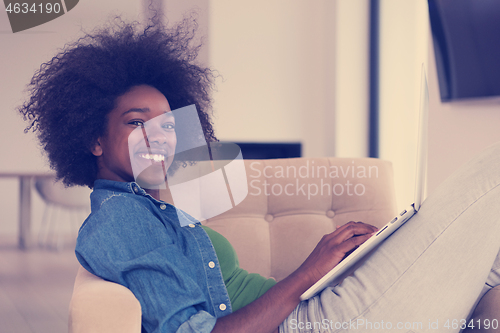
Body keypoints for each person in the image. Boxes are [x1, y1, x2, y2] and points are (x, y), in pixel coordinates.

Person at [18, 18, 500, 333]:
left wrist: (333, 266)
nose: (159, 137)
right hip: (318, 322)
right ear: (93, 139)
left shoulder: (155, 207)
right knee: (488, 177)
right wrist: (312, 268)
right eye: (136, 122)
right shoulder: (119, 221)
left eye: (168, 124)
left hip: (316, 307)